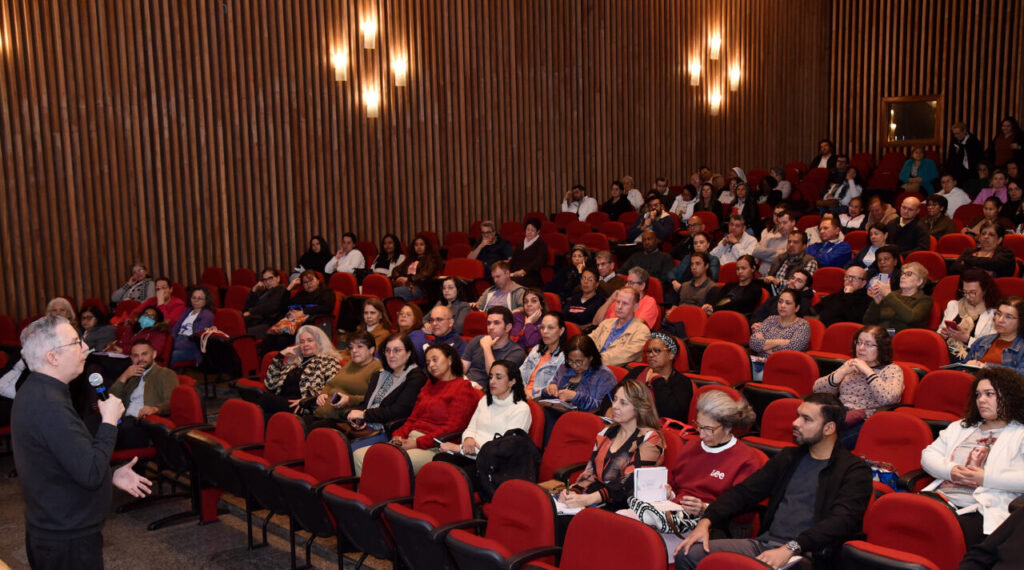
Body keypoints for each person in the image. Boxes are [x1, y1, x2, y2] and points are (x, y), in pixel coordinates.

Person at [13, 316, 152, 569]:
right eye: (77, 343)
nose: (86, 348)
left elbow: (65, 461)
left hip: (56, 529)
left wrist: (109, 475)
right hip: (68, 540)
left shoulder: (37, 390)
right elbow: (89, 472)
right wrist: (109, 422)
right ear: (53, 357)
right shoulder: (48, 405)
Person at [674, 393, 872, 570]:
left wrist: (791, 547)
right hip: (765, 545)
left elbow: (841, 522)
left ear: (829, 428)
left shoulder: (854, 471)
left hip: (807, 555)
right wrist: (707, 520)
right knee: (689, 553)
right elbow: (744, 492)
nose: (795, 423)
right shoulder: (789, 457)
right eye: (797, 415)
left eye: (806, 419)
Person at [625, 391, 761, 556]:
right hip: (674, 513)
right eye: (699, 426)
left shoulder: (746, 460)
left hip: (713, 526)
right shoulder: (691, 447)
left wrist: (705, 508)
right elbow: (676, 484)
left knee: (643, 544)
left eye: (708, 429)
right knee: (623, 522)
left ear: (727, 427)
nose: (702, 434)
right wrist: (669, 492)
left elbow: (743, 516)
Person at [921, 367, 1024, 547]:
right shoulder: (961, 427)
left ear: (1010, 396)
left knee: (937, 531)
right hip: (941, 498)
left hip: (981, 509)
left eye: (989, 394)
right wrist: (950, 471)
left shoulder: (1020, 434)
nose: (981, 400)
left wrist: (985, 478)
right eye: (978, 395)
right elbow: (927, 456)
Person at [355, 342, 481, 474]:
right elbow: (413, 418)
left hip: (435, 446)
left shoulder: (463, 388)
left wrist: (417, 443)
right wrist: (398, 435)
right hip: (410, 439)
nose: (431, 365)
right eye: (427, 362)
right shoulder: (429, 385)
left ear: (450, 360)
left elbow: (453, 427)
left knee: (391, 461)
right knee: (359, 455)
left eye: (435, 359)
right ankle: (363, 493)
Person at [558, 379, 664, 510]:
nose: (615, 406)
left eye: (623, 403)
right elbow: (590, 474)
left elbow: (628, 482)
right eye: (615, 400)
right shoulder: (606, 433)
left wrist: (588, 499)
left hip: (623, 505)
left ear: (639, 408)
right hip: (596, 498)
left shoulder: (650, 438)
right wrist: (573, 493)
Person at [435, 360, 533, 486]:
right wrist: (468, 439)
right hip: (472, 454)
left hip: (494, 465)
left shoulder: (521, 409)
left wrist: (460, 449)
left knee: (455, 478)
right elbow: (471, 427)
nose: (492, 381)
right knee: (439, 461)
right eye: (491, 376)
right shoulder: (485, 400)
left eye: (498, 377)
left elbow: (502, 450)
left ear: (512, 381)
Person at [812, 325, 903, 448]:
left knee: (828, 444)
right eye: (859, 342)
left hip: (866, 420)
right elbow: (817, 390)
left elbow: (889, 398)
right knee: (809, 433)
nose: (861, 348)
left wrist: (868, 371)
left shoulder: (892, 370)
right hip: (840, 414)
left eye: (868, 344)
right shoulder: (851, 365)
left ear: (881, 348)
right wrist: (841, 373)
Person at [344, 334, 427, 450]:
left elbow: (399, 411)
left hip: (389, 431)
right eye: (387, 351)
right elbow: (368, 404)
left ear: (408, 353)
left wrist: (364, 415)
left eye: (397, 350)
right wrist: (357, 418)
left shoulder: (416, 377)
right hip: (366, 426)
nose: (391, 355)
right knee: (332, 442)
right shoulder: (379, 375)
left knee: (347, 450)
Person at [258, 325, 341, 421]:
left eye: (310, 340)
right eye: (302, 341)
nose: (305, 344)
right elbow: (270, 384)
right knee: (264, 417)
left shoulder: (328, 361)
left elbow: (334, 388)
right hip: (283, 401)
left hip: (304, 406)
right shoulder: (294, 362)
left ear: (319, 342)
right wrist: (280, 355)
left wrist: (308, 400)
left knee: (264, 399)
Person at [108, 339, 179, 448]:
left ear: (154, 354)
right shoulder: (132, 376)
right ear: (131, 359)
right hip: (123, 420)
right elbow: (111, 398)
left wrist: (155, 409)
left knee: (113, 433)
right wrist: (124, 377)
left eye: (144, 354)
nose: (140, 359)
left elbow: (172, 402)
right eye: (136, 356)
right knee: (92, 422)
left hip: (144, 423)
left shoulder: (165, 373)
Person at [616, 332, 693, 422]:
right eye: (649, 351)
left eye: (657, 351)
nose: (650, 355)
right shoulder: (638, 371)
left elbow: (673, 415)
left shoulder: (683, 383)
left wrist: (657, 380)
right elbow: (612, 395)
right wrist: (609, 409)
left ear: (671, 355)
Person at [310, 331, 383, 424]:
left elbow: (374, 399)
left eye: (359, 347)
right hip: (321, 413)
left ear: (371, 350)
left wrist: (349, 399)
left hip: (340, 420)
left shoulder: (376, 369)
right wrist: (323, 394)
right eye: (351, 348)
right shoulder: (350, 364)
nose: (354, 351)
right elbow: (331, 384)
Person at [262, 269, 335, 354]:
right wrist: (289, 288)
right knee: (269, 337)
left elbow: (327, 307)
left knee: (282, 340)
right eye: (305, 282)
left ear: (318, 280)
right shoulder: (301, 294)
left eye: (311, 280)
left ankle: (280, 363)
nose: (308, 284)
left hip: (310, 324)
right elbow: (283, 307)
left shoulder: (326, 292)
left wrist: (304, 312)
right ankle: (267, 364)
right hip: (291, 324)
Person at [542, 334, 617, 413]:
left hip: (584, 419)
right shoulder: (564, 368)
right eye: (570, 361)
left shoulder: (604, 376)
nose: (574, 365)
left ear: (591, 358)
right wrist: (548, 390)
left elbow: (603, 407)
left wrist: (575, 397)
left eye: (579, 362)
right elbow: (549, 395)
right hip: (556, 412)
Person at [937, 269, 1000, 362]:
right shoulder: (953, 305)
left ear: (985, 290)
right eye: (965, 292)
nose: (967, 296)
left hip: (973, 358)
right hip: (946, 352)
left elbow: (990, 346)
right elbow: (939, 333)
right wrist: (943, 334)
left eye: (972, 292)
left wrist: (967, 339)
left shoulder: (994, 313)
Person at [749, 289, 812, 379]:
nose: (782, 305)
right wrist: (781, 342)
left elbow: (790, 350)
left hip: (781, 368)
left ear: (797, 308)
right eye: (780, 302)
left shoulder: (803, 325)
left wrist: (764, 345)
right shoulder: (771, 319)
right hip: (758, 363)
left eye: (788, 303)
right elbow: (753, 343)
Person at [462, 306, 527, 389]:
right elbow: (462, 368)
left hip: (488, 393)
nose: (491, 327)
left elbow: (495, 376)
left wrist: (487, 348)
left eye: (496, 323)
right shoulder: (477, 340)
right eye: (489, 323)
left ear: (507, 327)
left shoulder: (516, 352)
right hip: (466, 385)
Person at [589, 287, 651, 366]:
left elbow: (623, 356)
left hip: (613, 372)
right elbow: (588, 341)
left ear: (635, 307)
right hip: (590, 365)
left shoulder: (642, 331)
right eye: (618, 302)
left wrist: (592, 360)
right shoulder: (606, 323)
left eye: (625, 303)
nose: (619, 307)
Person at [864, 261, 932, 332]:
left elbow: (911, 318)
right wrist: (876, 303)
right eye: (902, 274)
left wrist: (888, 295)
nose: (902, 276)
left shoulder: (925, 300)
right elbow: (867, 322)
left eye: (908, 274)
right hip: (880, 336)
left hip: (904, 338)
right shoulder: (891, 295)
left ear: (919, 281)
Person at [963, 297, 1024, 374]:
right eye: (999, 314)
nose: (1000, 320)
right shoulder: (981, 341)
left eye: (1008, 317)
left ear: (1021, 321)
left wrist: (986, 367)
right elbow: (965, 366)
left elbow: (1021, 374)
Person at [594, 267, 660, 330]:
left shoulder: (649, 302)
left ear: (642, 286)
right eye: (626, 282)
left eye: (631, 283)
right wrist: (611, 299)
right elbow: (596, 322)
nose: (626, 286)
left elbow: (636, 327)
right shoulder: (618, 300)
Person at [521, 311, 567, 398]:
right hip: (522, 394)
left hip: (539, 399)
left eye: (550, 328)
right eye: (542, 327)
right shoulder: (536, 350)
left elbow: (553, 387)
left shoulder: (564, 357)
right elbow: (519, 374)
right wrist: (523, 390)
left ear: (561, 331)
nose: (545, 331)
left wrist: (532, 394)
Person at [951, 221, 1017, 278]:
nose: (986, 237)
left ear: (999, 240)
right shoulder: (968, 252)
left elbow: (993, 263)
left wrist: (968, 261)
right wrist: (984, 271)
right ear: (979, 237)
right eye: (983, 234)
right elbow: (955, 268)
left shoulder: (1007, 254)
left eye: (991, 234)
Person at [169, 285, 215, 365]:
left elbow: (196, 340)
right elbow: (175, 329)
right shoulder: (188, 310)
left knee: (168, 356)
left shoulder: (207, 315)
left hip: (191, 348)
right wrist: (170, 342)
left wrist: (172, 345)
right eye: (193, 298)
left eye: (199, 298)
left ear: (206, 300)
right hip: (177, 340)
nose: (196, 301)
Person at [392, 235, 443, 301]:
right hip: (407, 285)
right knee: (387, 289)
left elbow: (426, 273)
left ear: (426, 246)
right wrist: (398, 278)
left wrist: (409, 279)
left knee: (394, 292)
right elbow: (396, 270)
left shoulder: (431, 258)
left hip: (422, 287)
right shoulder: (410, 259)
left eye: (422, 244)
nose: (419, 247)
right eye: (416, 245)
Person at [243, 267, 289, 336]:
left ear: (278, 278)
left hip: (269, 323)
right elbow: (248, 306)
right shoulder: (263, 292)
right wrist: (254, 290)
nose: (268, 282)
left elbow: (271, 307)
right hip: (257, 321)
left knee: (243, 332)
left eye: (270, 278)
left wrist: (251, 312)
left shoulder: (281, 290)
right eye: (265, 280)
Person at [509, 218, 548, 288]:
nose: (529, 232)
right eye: (528, 229)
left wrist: (523, 271)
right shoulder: (521, 243)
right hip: (515, 273)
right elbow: (514, 259)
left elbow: (538, 263)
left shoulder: (541, 245)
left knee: (511, 282)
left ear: (538, 231)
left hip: (530, 275)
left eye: (532, 230)